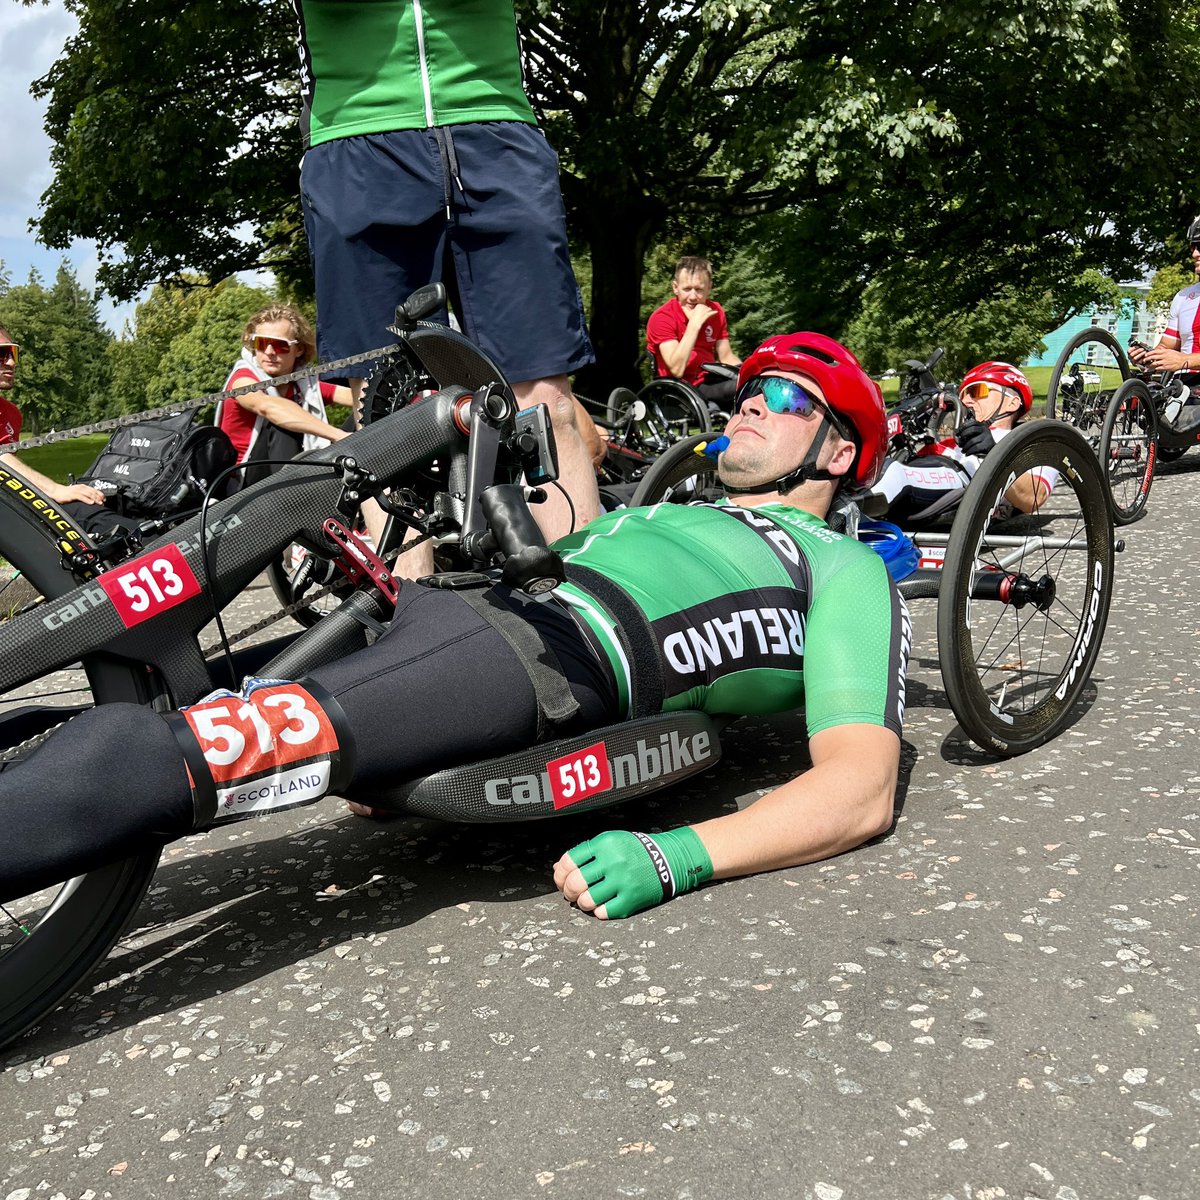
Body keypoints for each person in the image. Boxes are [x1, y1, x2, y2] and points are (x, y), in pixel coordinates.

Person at [0, 332, 908, 923]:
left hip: (545, 654)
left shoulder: (841, 567)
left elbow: (860, 787)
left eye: (786, 401)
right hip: (454, 610)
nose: (750, 404)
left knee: (181, 755)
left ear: (839, 451)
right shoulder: (661, 510)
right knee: (152, 698)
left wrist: (683, 856)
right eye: (750, 392)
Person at [291, 0, 600, 538]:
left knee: (547, 401)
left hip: (495, 129)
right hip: (357, 138)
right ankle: (410, 608)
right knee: (386, 412)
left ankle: (592, 596)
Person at [865, 361, 1054, 522]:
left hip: (963, 484)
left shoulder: (1032, 443)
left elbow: (1034, 498)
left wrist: (994, 454)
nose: (966, 401)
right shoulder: (952, 442)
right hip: (930, 480)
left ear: (1012, 402)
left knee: (893, 473)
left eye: (977, 391)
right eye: (963, 395)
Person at [0, 325, 131, 539]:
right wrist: (54, 491)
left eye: (12, 353)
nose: (12, 362)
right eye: (2, 354)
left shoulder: (11, 413)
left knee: (95, 515)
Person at [215, 306, 352, 489]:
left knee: (363, 413)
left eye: (280, 345)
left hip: (290, 464)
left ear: (299, 349)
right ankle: (294, 499)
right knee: (282, 422)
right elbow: (268, 408)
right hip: (242, 483)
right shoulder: (242, 379)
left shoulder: (306, 383)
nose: (270, 352)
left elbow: (358, 397)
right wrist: (339, 436)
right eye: (261, 344)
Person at [1128, 216, 1200, 431]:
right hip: (1184, 385)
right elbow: (1167, 348)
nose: (1194, 253)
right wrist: (1148, 359)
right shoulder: (1183, 297)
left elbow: (1179, 359)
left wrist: (1184, 360)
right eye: (1193, 246)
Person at [645, 256, 742, 407]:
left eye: (699, 290)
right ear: (675, 288)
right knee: (740, 387)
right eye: (687, 289)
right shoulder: (662, 318)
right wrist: (694, 325)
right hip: (680, 387)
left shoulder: (716, 311)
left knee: (752, 382)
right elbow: (676, 369)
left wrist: (751, 371)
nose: (692, 297)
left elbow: (726, 356)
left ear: (709, 288)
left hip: (710, 378)